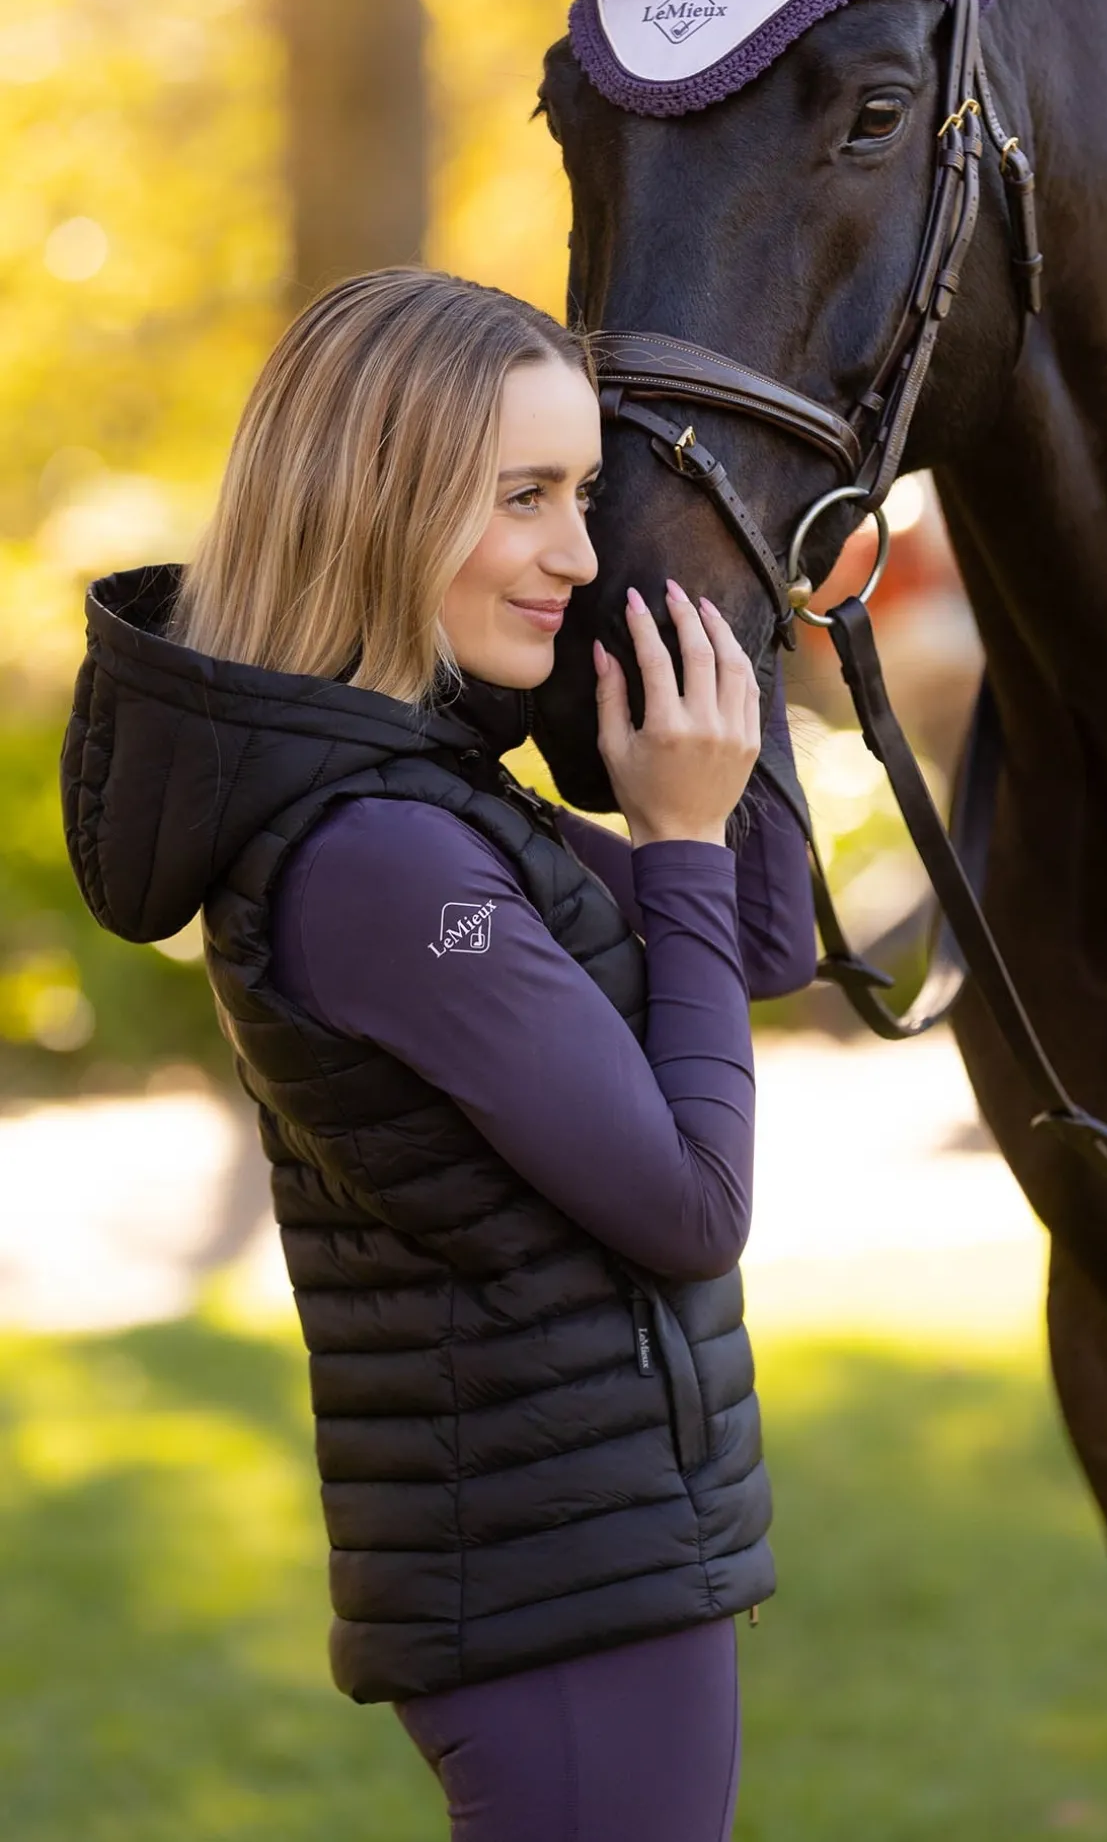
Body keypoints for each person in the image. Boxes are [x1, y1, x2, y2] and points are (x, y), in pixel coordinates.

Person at [60, 268, 818, 1842]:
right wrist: (671, 831)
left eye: (585, 494)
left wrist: (729, 636)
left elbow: (756, 943)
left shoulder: (429, 793)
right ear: (377, 508)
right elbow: (692, 1202)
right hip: (558, 1588)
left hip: (589, 1559)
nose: (576, 551)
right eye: (523, 496)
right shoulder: (385, 860)